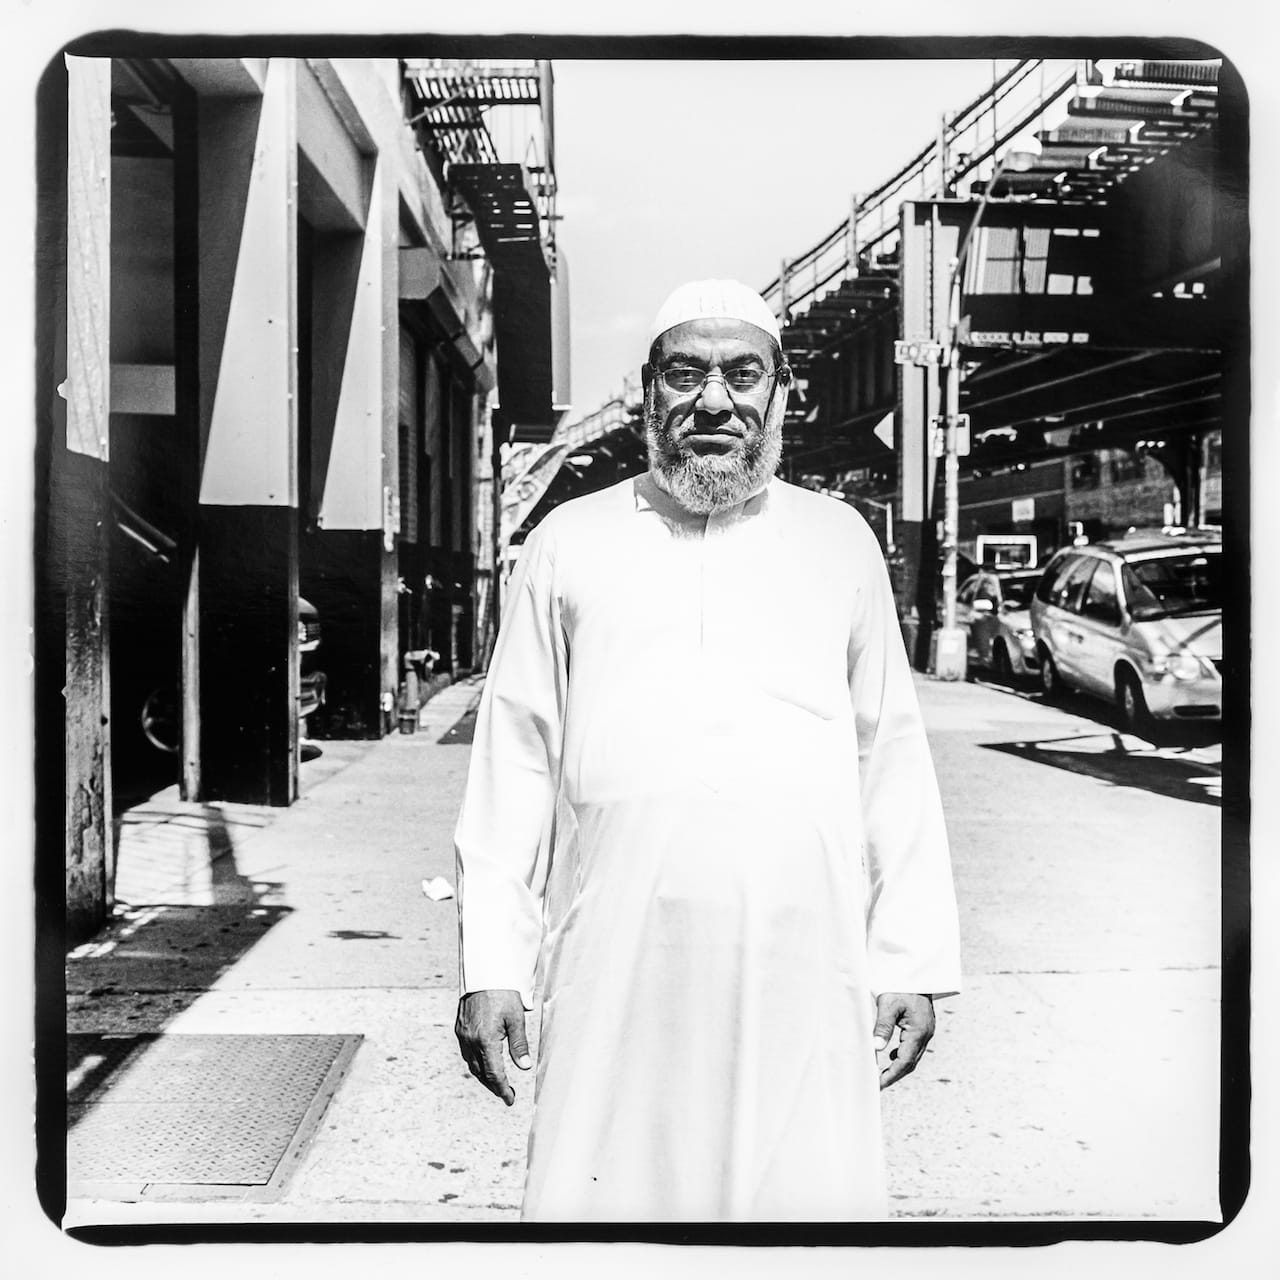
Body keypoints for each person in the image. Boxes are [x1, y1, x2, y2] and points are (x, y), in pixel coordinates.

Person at [453, 279, 961, 1222]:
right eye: (686, 373)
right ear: (648, 391)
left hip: (804, 949)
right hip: (615, 946)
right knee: (607, 1200)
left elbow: (888, 755)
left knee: (802, 1198)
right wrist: (492, 963)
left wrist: (911, 955)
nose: (714, 400)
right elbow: (512, 761)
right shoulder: (569, 540)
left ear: (781, 392)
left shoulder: (837, 540)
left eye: (742, 374)